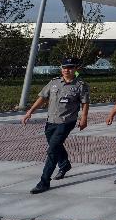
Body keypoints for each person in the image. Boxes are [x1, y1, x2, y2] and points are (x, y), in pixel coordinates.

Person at [22, 57, 89, 194]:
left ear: (76, 69)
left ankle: (44, 182)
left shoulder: (80, 85)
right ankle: (64, 165)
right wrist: (30, 112)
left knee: (52, 150)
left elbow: (85, 103)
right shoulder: (54, 83)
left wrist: (84, 118)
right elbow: (42, 97)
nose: (66, 70)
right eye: (64, 67)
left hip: (66, 122)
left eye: (70, 67)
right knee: (56, 146)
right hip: (51, 121)